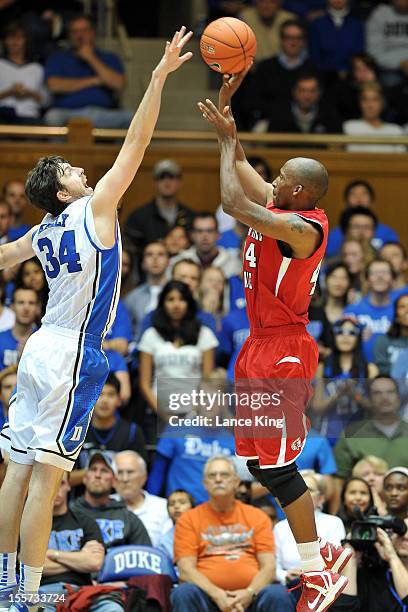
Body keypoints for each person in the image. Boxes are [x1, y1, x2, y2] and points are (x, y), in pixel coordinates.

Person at [0, 26, 192, 612]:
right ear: (61, 191)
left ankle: (4, 581)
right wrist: (157, 78)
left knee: (15, 469)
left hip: (35, 348)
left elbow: (4, 257)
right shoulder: (93, 208)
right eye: (68, 169)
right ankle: (27, 593)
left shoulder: (43, 229)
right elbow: (136, 142)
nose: (80, 171)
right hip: (73, 352)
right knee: (46, 479)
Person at [198, 70, 350, 609]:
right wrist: (227, 112)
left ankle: (318, 565)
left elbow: (234, 204)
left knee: (280, 466)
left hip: (285, 349)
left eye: (282, 176)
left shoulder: (303, 227)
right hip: (259, 344)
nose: (274, 178)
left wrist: (222, 146)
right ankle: (319, 561)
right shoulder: (284, 204)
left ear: (300, 190)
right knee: (260, 466)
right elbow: (244, 168)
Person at [171, 455, 278, 611]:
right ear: (205, 484)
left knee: (277, 594)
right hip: (207, 598)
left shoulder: (258, 517)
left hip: (251, 598)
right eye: (212, 476)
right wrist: (216, 594)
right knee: (183, 592)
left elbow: (269, 567)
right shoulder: (188, 519)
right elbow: (186, 570)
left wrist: (249, 593)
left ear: (236, 482)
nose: (218, 479)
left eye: (225, 475)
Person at [39, 472, 123, 612]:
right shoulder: (28, 524)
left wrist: (51, 554)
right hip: (43, 592)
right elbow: (30, 567)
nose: (55, 489)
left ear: (68, 487)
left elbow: (94, 563)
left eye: (61, 483)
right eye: (50, 483)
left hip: (83, 591)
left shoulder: (85, 522)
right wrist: (80, 559)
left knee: (113, 608)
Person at [138, 280, 218, 415]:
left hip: (195, 412)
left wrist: (194, 412)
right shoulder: (150, 335)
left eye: (181, 299)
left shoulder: (204, 334)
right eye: (170, 299)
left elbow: (207, 381)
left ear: (189, 303)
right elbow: (144, 384)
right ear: (162, 303)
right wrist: (164, 416)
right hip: (158, 413)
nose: (176, 305)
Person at [269, 472, 347, 609]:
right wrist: (285, 575)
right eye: (297, 489)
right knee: (273, 594)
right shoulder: (280, 527)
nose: (300, 494)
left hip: (323, 584)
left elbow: (338, 565)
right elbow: (273, 566)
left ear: (322, 498)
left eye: (308, 490)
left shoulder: (333, 522)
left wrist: (309, 573)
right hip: (289, 586)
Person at [43, 13, 133, 129]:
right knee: (52, 117)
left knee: (133, 118)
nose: (79, 35)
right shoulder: (58, 57)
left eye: (84, 30)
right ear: (70, 35)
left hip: (103, 113)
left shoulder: (109, 58)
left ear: (92, 32)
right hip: (67, 113)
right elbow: (54, 86)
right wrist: (95, 81)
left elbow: (119, 83)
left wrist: (91, 58)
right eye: (75, 31)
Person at [70, 373, 146, 489]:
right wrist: (101, 472)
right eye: (99, 394)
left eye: (110, 395)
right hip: (82, 501)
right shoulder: (76, 431)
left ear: (119, 400)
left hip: (121, 499)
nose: (104, 400)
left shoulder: (132, 432)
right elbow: (64, 479)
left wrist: (94, 473)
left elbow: (141, 475)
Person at [311, 316, 378, 445]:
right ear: (334, 336)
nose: (345, 337)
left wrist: (355, 395)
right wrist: (338, 394)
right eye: (340, 332)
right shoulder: (323, 367)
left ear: (358, 337)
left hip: (360, 438)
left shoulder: (370, 369)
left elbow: (375, 409)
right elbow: (317, 408)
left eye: (351, 333)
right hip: (328, 436)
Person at [70, 451, 151, 549]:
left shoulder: (128, 518)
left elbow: (146, 555)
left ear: (114, 481)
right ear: (85, 478)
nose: (98, 475)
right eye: (93, 469)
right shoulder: (70, 513)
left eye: (104, 470)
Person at [334, 376, 408, 480]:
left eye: (390, 392)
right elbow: (339, 481)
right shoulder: (351, 435)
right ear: (369, 399)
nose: (384, 397)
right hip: (363, 495)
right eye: (377, 393)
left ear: (399, 398)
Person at [124, 159, 195, 254]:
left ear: (179, 182)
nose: (167, 182)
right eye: (161, 177)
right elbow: (131, 252)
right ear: (154, 182)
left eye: (171, 177)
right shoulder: (138, 217)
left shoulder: (191, 217)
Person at [251, 19, 316, 121]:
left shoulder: (313, 69)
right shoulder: (265, 67)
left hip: (304, 123)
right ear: (281, 40)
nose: (293, 42)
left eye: (298, 38)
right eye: (288, 37)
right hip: (271, 123)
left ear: (304, 41)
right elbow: (254, 102)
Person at [326, 180, 399, 258]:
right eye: (353, 194)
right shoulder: (335, 234)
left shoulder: (387, 232)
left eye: (364, 194)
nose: (359, 198)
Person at [113, 450, 171, 547]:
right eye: (120, 472)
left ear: (144, 477)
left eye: (130, 472)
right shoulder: (103, 505)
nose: (125, 479)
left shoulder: (163, 507)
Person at [344, 258, 397, 361]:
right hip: (361, 372)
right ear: (367, 280)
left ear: (392, 279)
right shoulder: (352, 311)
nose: (380, 277)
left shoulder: (400, 312)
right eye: (375, 273)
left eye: (385, 273)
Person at [0, 20, 48, 125]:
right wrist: (10, 92)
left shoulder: (37, 68)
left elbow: (45, 102)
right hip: (3, 117)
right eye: (10, 37)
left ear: (26, 41)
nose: (14, 42)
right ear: (5, 41)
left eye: (19, 38)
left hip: (30, 117)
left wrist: (30, 93)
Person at [308, 0, 364, 86]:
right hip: (324, 77)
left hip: (352, 77)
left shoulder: (357, 24)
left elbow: (359, 53)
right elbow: (315, 57)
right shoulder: (317, 25)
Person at [171, 211, 241, 279]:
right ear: (192, 235)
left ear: (218, 235)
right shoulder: (178, 261)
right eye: (199, 231)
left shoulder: (233, 265)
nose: (204, 236)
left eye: (209, 231)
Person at [266, 73, 342, 134]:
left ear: (319, 93)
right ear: (294, 92)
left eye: (312, 91)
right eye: (302, 91)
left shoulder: (330, 114)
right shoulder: (280, 115)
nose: (307, 96)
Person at [124, 240, 169, 339]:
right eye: (149, 254)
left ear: (168, 262)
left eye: (160, 254)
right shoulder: (132, 298)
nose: (155, 259)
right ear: (143, 263)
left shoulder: (176, 294)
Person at [343, 83, 405, 152]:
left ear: (382, 103)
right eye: (365, 100)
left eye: (375, 100)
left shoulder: (395, 130)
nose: (370, 105)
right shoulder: (349, 126)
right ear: (359, 103)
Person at [367, 0, 408, 87]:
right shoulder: (379, 15)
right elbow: (374, 51)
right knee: (390, 82)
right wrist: (401, 62)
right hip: (389, 68)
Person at [0, 287, 39, 370]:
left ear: (37, 308)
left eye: (31, 303)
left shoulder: (44, 342)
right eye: (21, 302)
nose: (26, 308)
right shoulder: (0, 339)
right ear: (12, 306)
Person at [374, 293, 408, 375]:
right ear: (396, 314)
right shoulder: (383, 340)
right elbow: (381, 369)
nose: (407, 310)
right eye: (402, 306)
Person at [158, 489, 194, 561]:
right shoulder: (165, 540)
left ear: (192, 508)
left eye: (182, 502)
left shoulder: (203, 532)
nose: (176, 506)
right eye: (171, 504)